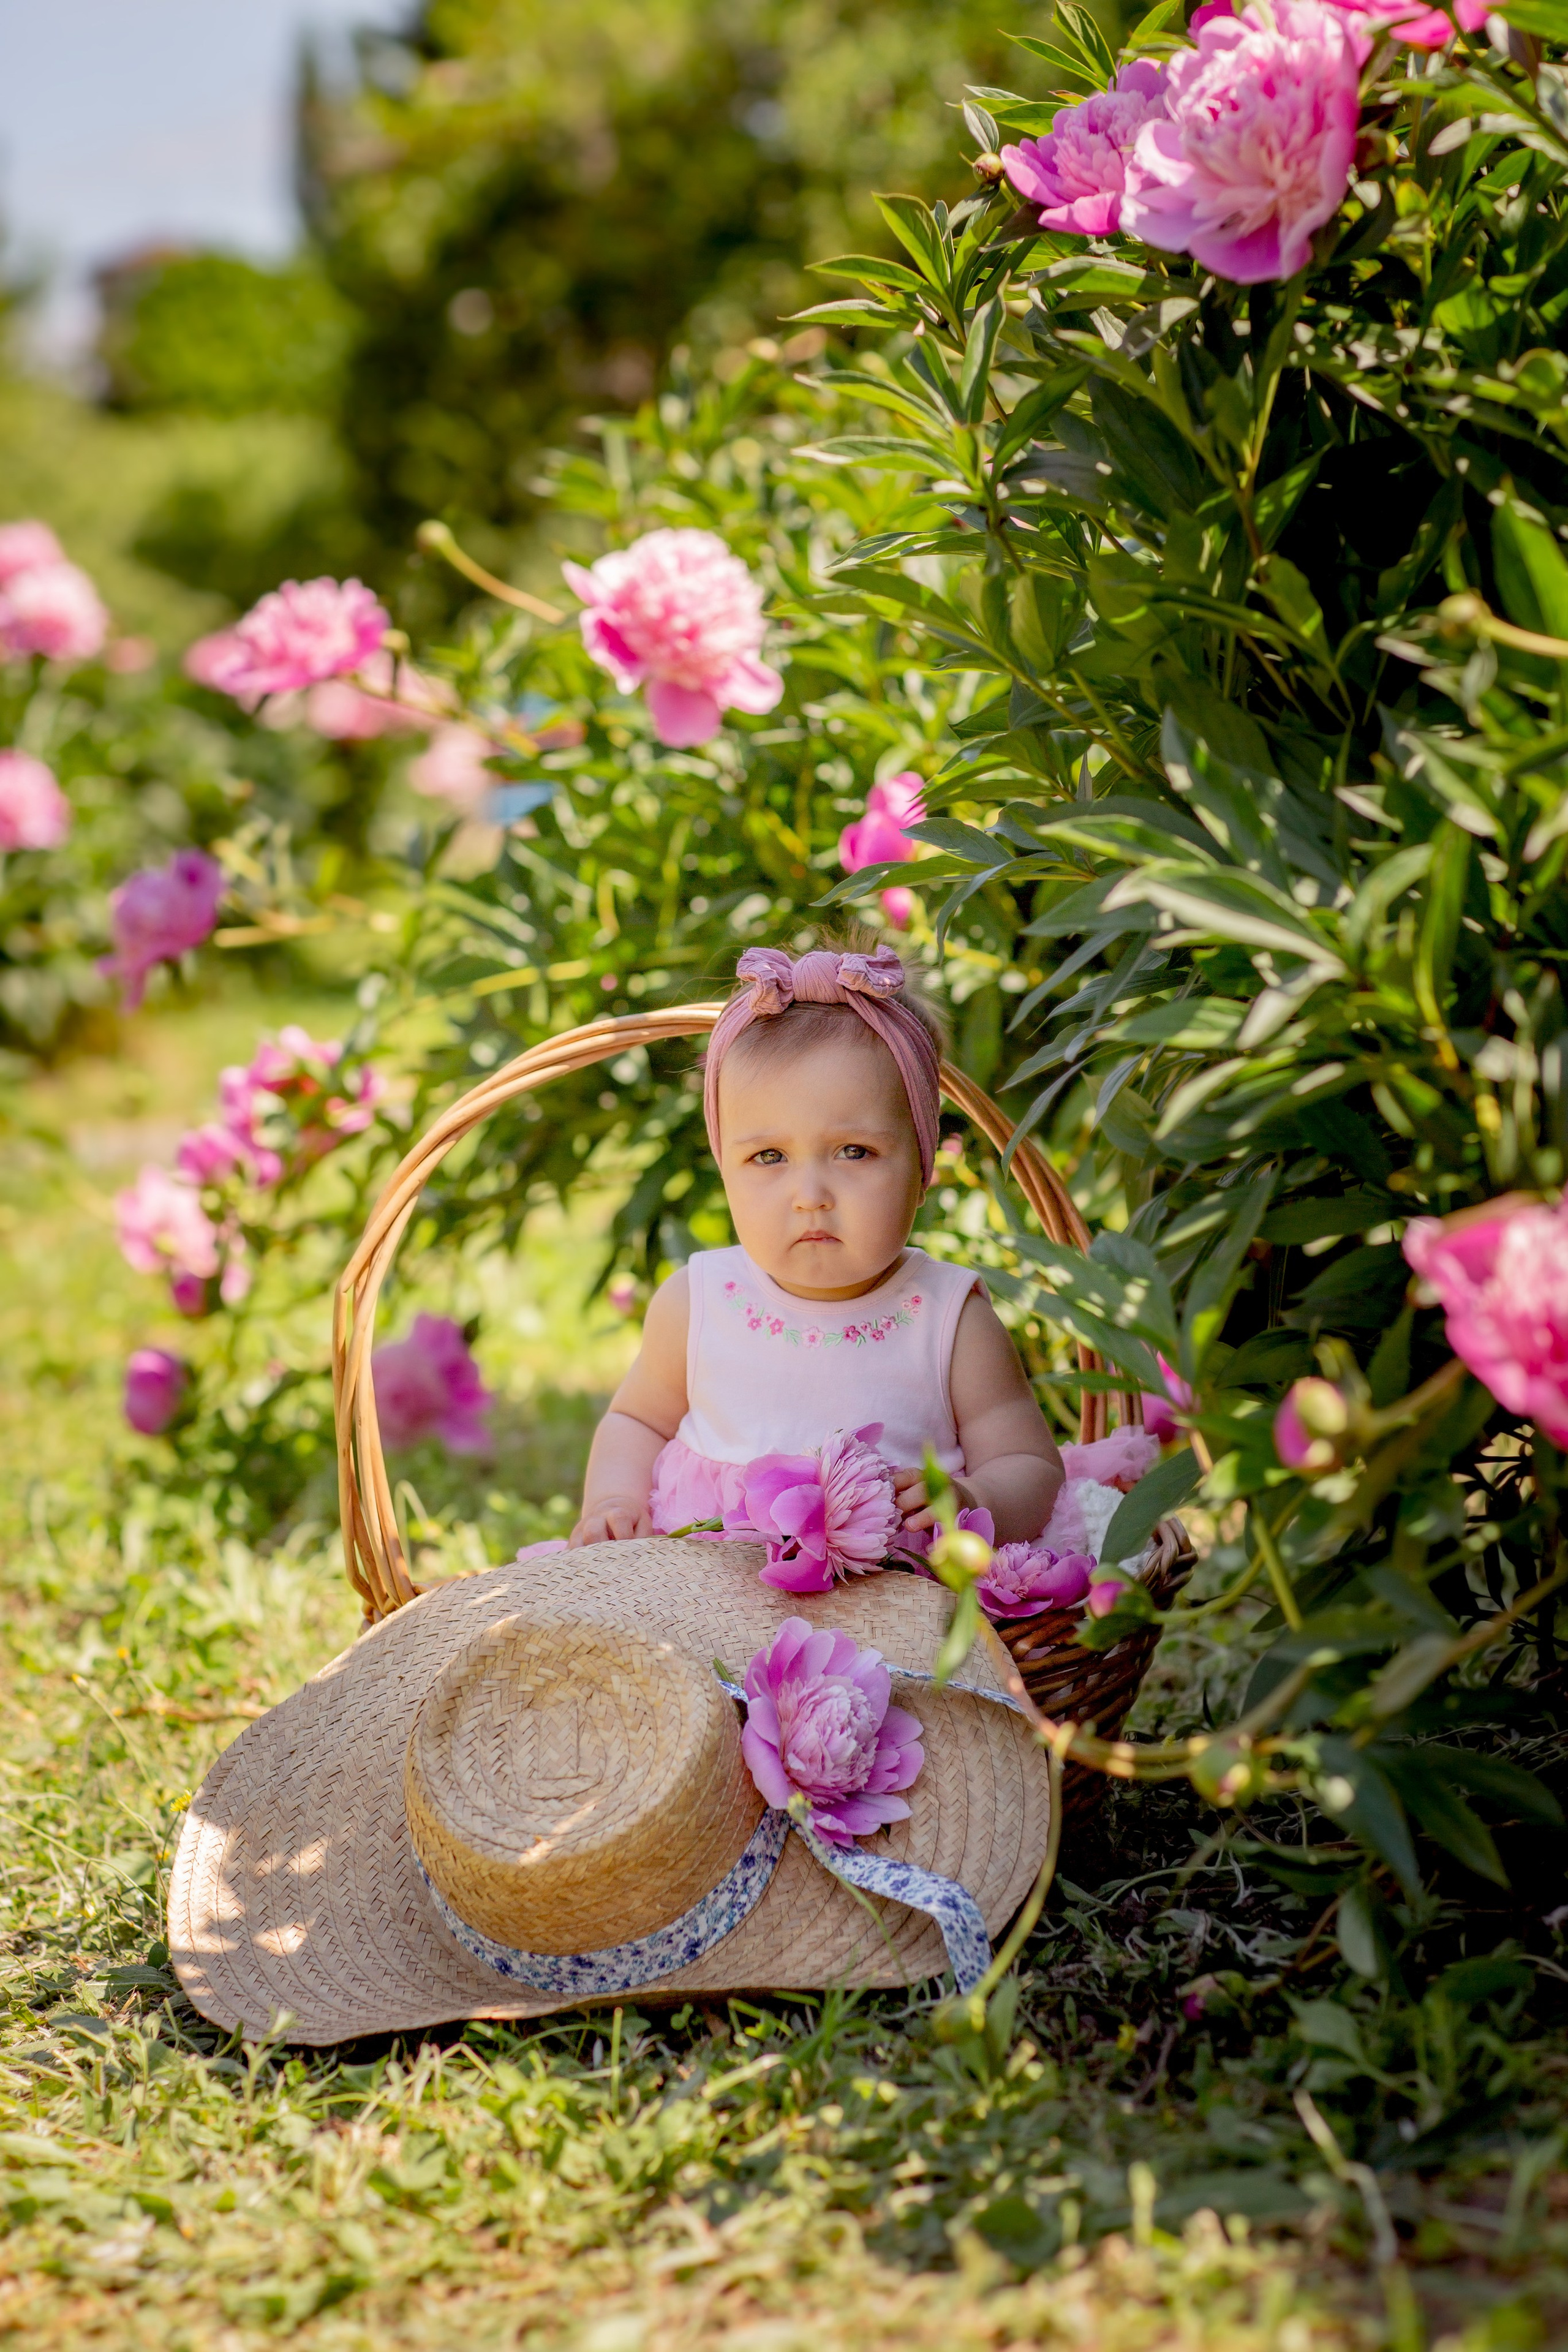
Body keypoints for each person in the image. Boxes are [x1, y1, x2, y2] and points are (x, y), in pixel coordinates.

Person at [571, 940, 1066, 1551]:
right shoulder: (697, 1303)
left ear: (923, 1168)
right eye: (768, 1157)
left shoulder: (949, 1320)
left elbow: (1031, 1465)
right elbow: (636, 1421)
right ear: (725, 1168)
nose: (810, 1194)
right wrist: (613, 1501)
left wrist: (975, 1502)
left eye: (854, 1152)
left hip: (896, 1618)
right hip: (697, 1598)